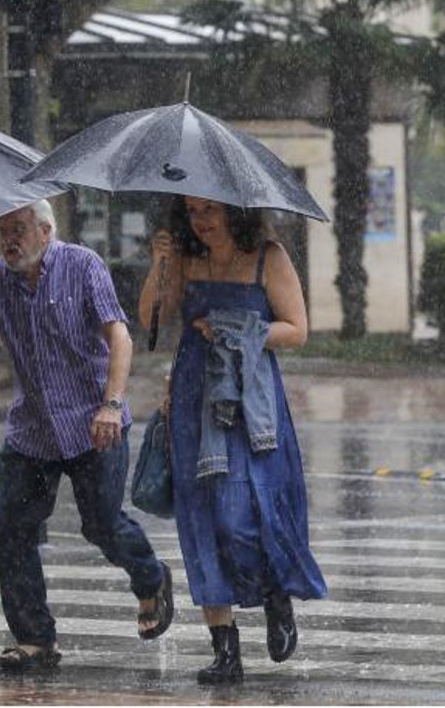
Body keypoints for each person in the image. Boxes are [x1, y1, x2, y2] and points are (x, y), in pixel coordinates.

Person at [0, 199, 173, 671]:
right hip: (32, 429)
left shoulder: (82, 265)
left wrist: (112, 405)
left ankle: (151, 578)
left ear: (45, 230)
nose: (9, 239)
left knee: (103, 525)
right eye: (2, 230)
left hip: (94, 422)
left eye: (19, 229)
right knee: (11, 526)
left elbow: (120, 337)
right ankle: (34, 639)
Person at [137, 197, 327, 684]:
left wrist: (235, 329)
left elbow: (297, 330)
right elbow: (150, 320)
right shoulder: (183, 254)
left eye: (209, 210)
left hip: (251, 402)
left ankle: (273, 594)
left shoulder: (268, 256)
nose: (200, 220)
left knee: (245, 514)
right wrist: (161, 261)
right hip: (194, 396)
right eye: (191, 211)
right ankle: (225, 649)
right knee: (202, 519)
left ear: (234, 211)